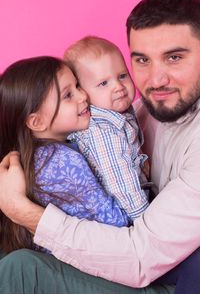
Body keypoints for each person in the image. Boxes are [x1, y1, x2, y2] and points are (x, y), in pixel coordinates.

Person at [0, 0, 200, 293]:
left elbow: (141, 256)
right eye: (141, 60)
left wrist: (21, 210)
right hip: (142, 254)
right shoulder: (143, 108)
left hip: (184, 276)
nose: (156, 79)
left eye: (174, 57)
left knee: (21, 269)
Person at [0, 56, 130, 254]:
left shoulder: (38, 158)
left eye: (77, 86)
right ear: (37, 122)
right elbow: (117, 223)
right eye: (68, 95)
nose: (83, 96)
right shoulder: (60, 161)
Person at [64, 36, 150, 220]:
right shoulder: (103, 131)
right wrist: (145, 220)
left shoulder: (120, 113)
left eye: (122, 76)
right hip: (127, 215)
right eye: (103, 83)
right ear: (82, 93)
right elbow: (121, 183)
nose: (119, 87)